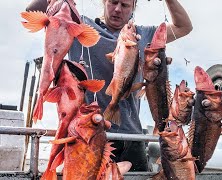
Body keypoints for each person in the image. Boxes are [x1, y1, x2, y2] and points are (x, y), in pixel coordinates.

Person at [26, 0, 192, 171]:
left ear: (133, 7)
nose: (118, 9)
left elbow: (184, 27)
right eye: (113, 2)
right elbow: (32, 10)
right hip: (88, 134)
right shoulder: (78, 24)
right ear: (104, 2)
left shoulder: (143, 34)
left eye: (125, 5)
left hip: (132, 137)